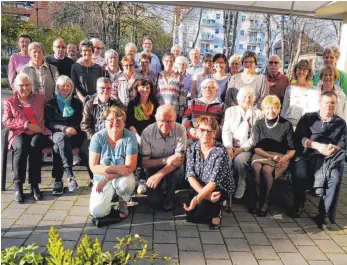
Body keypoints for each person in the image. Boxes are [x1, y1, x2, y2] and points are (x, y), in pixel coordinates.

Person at [292, 91, 346, 230]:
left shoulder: (340, 123)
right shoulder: (308, 118)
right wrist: (316, 146)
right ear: (320, 103)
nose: (329, 106)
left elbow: (343, 144)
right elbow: (299, 138)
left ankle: (324, 214)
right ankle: (299, 203)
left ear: (336, 104)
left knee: (334, 177)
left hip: (329, 158)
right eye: (326, 102)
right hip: (307, 154)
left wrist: (332, 148)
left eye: (332, 103)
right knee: (299, 173)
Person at [3, 73, 50, 203]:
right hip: (19, 132)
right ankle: (18, 186)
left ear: (31, 85)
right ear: (15, 87)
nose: (24, 88)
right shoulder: (10, 102)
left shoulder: (40, 98)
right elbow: (6, 121)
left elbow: (51, 111)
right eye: (21, 85)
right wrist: (26, 124)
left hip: (38, 132)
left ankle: (34, 185)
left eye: (27, 85)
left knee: (35, 147)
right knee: (22, 147)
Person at [89, 106, 138, 227]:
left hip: (121, 177)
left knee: (125, 184)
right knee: (97, 212)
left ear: (124, 122)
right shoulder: (98, 137)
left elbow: (130, 167)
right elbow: (94, 166)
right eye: (111, 119)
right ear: (105, 122)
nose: (115, 122)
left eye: (119, 119)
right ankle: (109, 198)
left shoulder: (129, 137)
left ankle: (122, 201)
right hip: (101, 178)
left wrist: (107, 178)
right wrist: (115, 169)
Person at [184, 116, 235, 228]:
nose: (205, 134)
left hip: (219, 187)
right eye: (202, 130)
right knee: (190, 218)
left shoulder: (220, 152)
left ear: (214, 133)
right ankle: (210, 205)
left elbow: (213, 183)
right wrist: (206, 196)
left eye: (209, 131)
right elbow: (190, 175)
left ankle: (217, 213)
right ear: (197, 131)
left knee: (200, 216)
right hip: (201, 186)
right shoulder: (191, 149)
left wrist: (197, 198)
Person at [251, 95, 295, 216]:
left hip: (280, 156)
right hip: (262, 153)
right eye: (268, 108)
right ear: (263, 110)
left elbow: (292, 149)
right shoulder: (259, 123)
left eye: (274, 108)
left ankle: (265, 201)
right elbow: (257, 147)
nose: (271, 111)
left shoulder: (286, 124)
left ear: (279, 109)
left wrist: (285, 158)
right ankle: (259, 197)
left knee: (267, 169)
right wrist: (270, 157)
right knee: (257, 167)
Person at [80, 77, 126, 187]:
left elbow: (122, 120)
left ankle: (115, 177)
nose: (105, 91)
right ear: (97, 89)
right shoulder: (90, 104)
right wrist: (95, 138)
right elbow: (85, 124)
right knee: (85, 150)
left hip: (113, 136)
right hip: (94, 136)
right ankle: (93, 177)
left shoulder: (116, 103)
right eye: (102, 88)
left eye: (108, 88)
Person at [141, 105, 187, 210]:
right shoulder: (147, 132)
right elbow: (144, 163)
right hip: (153, 167)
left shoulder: (180, 129)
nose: (165, 125)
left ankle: (169, 197)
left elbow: (179, 160)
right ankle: (160, 189)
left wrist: (159, 175)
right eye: (162, 121)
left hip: (172, 167)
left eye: (169, 121)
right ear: (156, 119)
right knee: (154, 202)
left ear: (175, 119)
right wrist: (165, 160)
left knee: (178, 172)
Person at [222, 87, 263, 199]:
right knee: (226, 160)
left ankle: (241, 183)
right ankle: (224, 190)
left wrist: (241, 149)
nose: (247, 99)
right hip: (231, 145)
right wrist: (229, 147)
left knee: (240, 161)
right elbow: (226, 131)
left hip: (247, 148)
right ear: (239, 98)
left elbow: (256, 136)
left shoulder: (259, 114)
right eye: (244, 96)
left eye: (250, 96)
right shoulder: (230, 110)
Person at [45, 76, 83, 195]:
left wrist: (73, 129)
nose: (65, 88)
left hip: (73, 135)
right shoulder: (50, 103)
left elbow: (81, 120)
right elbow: (49, 123)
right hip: (55, 133)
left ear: (71, 88)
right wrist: (64, 128)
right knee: (61, 138)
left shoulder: (77, 102)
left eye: (68, 85)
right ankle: (70, 175)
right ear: (57, 87)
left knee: (57, 148)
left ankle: (58, 181)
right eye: (62, 85)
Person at [281, 60, 319, 127]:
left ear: (308, 72)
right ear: (295, 71)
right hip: (290, 124)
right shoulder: (289, 89)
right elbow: (284, 109)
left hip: (306, 125)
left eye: (304, 69)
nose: (301, 72)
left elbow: (315, 111)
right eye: (299, 69)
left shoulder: (314, 90)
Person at [126, 78, 159, 146]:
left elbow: (157, 121)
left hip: (152, 135)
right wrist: (138, 138)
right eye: (143, 87)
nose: (145, 90)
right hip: (136, 135)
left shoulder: (154, 102)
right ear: (137, 88)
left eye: (147, 88)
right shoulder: (132, 103)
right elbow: (130, 124)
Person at [156, 53, 186, 121]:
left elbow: (182, 95)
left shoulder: (178, 77)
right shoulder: (158, 76)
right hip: (160, 112)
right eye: (167, 61)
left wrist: (181, 111)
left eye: (171, 61)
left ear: (174, 62)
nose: (169, 63)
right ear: (163, 62)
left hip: (174, 112)